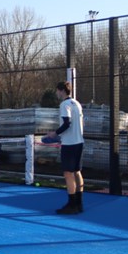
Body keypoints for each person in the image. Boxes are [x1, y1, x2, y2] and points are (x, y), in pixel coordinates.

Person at [46, 81, 84, 214]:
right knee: (77, 172)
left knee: (68, 173)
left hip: (70, 144)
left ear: (61, 90)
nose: (56, 93)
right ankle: (79, 203)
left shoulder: (64, 104)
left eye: (57, 91)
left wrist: (54, 133)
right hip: (79, 142)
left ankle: (72, 204)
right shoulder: (77, 103)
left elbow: (67, 123)